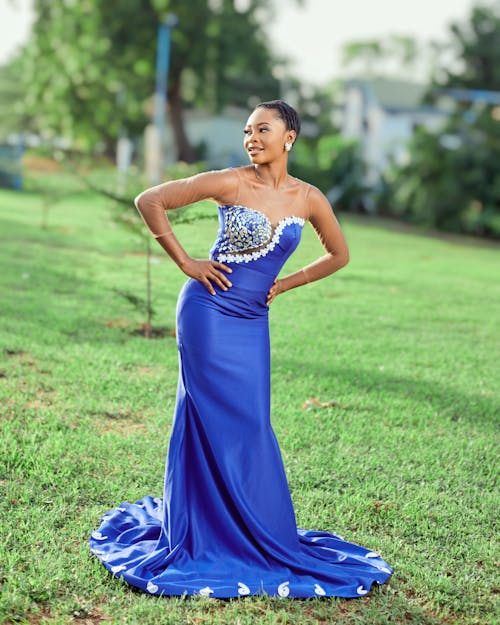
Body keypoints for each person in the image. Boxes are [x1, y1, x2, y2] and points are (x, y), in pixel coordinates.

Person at [89, 100, 393, 598]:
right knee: (211, 418)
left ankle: (259, 535)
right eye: (248, 130)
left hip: (253, 321)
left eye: (263, 129)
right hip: (207, 314)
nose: (252, 137)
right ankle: (205, 533)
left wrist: (288, 282)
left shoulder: (308, 198)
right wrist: (187, 262)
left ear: (289, 137)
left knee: (252, 422)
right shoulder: (231, 182)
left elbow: (340, 254)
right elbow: (150, 199)